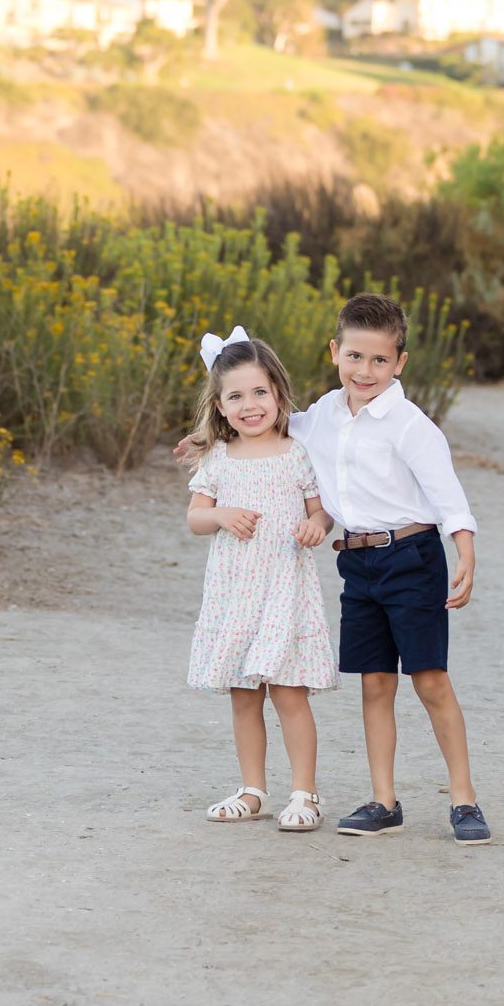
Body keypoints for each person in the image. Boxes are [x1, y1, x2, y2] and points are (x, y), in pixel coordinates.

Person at [180, 294, 490, 844]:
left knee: (430, 680)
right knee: (374, 683)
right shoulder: (321, 416)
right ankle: (382, 800)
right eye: (354, 357)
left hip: (413, 557)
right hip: (358, 562)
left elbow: (447, 495)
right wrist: (210, 435)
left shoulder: (411, 425)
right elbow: (269, 421)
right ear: (335, 353)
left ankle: (463, 800)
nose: (364, 371)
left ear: (400, 363)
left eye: (378, 360)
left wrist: (464, 551)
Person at [183, 326, 338, 832]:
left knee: (289, 693)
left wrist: (315, 527)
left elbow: (321, 512)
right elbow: (195, 518)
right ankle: (253, 790)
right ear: (220, 406)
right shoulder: (217, 458)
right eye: (236, 396)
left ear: (278, 393)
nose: (250, 405)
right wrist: (221, 514)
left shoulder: (297, 452)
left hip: (284, 591)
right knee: (243, 695)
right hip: (234, 593)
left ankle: (304, 794)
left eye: (259, 392)